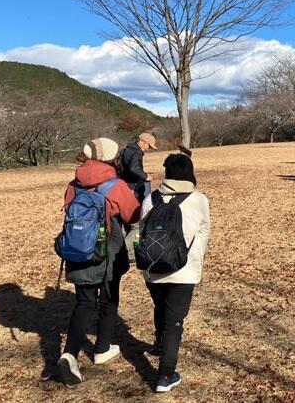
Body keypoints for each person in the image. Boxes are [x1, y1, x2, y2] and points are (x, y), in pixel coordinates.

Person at [58, 138, 140, 386]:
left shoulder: (74, 184)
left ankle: (69, 353)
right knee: (108, 299)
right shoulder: (116, 185)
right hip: (107, 253)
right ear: (112, 158)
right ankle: (102, 348)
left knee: (84, 303)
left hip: (78, 250)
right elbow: (133, 214)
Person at [140, 153, 211, 393]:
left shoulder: (150, 199)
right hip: (184, 271)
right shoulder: (199, 200)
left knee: (160, 308)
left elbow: (142, 231)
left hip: (152, 268)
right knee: (174, 321)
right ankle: (165, 376)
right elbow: (204, 233)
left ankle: (160, 345)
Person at [120, 132, 157, 260]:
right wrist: (146, 176)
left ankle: (126, 254)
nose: (149, 149)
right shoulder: (136, 153)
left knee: (125, 223)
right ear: (143, 142)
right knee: (136, 225)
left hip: (123, 188)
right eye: (150, 146)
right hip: (132, 190)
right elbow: (134, 168)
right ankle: (122, 250)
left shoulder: (127, 150)